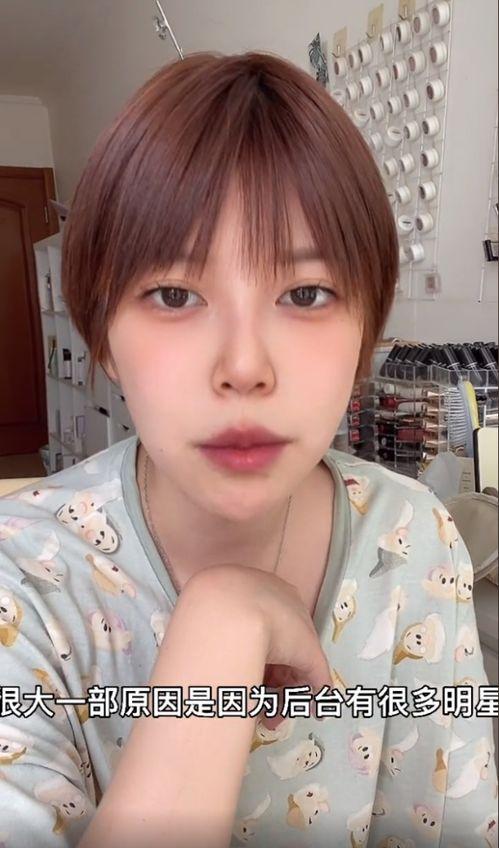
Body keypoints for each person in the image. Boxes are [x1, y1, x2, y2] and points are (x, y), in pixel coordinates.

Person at [0, 50, 497, 848]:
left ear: (365, 331)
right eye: (173, 294)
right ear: (102, 336)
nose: (243, 367)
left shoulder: (409, 538)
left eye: (305, 294)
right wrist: (220, 631)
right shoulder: (22, 585)